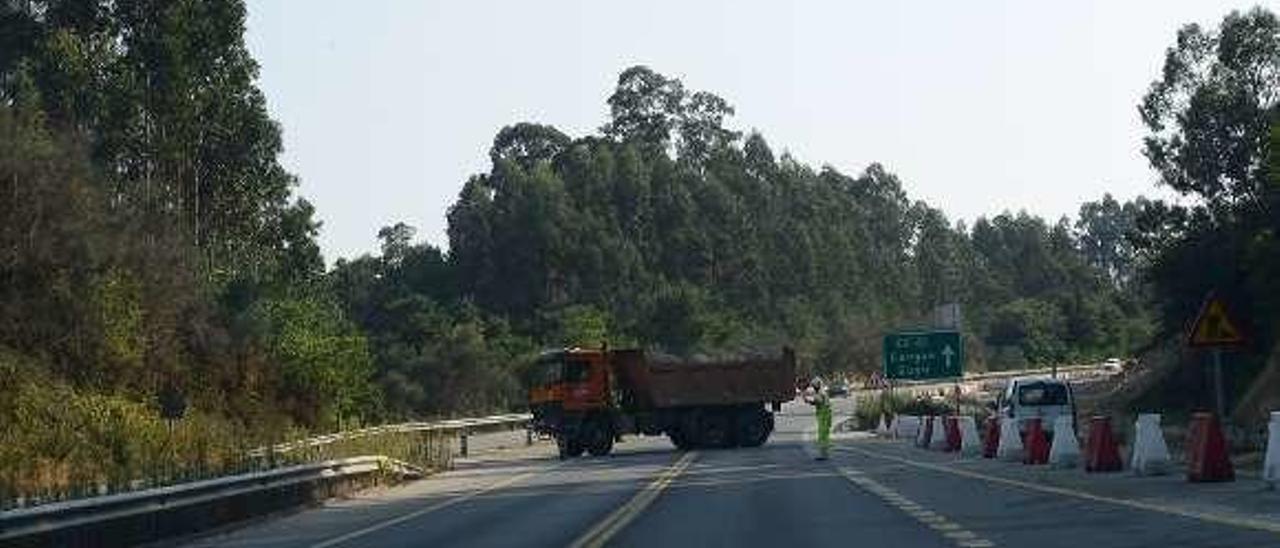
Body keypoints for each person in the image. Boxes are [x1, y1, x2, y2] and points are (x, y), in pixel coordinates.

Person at [805, 378, 832, 460]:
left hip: (824, 416)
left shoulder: (820, 392)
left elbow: (819, 401)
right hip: (824, 416)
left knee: (822, 436)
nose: (813, 387)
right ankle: (824, 453)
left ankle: (824, 454)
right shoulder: (821, 392)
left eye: (814, 385)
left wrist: (809, 401)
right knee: (824, 435)